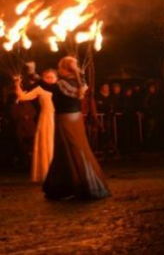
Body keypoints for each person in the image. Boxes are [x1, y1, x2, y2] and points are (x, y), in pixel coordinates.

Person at [43, 56, 110, 200]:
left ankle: (85, 185)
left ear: (65, 69)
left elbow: (46, 85)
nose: (58, 70)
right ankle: (63, 186)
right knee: (73, 149)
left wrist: (32, 74)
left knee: (71, 150)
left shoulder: (61, 85)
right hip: (76, 118)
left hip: (65, 119)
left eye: (60, 67)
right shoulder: (80, 83)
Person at [13, 69, 56, 182]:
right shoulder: (39, 89)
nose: (50, 79)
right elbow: (22, 97)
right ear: (43, 79)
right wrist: (17, 84)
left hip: (59, 118)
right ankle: (47, 171)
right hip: (46, 119)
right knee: (46, 142)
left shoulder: (59, 88)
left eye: (52, 77)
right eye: (47, 77)